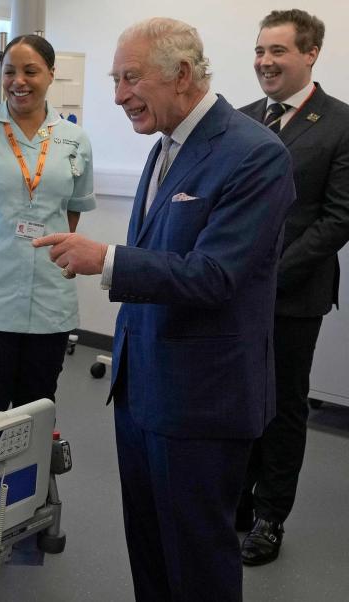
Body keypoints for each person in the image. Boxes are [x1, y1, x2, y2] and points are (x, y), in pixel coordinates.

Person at [33, 18, 295, 601]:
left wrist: (105, 259)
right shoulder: (165, 150)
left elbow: (216, 274)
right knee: (149, 550)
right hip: (142, 387)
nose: (119, 94)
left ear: (181, 76)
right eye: (115, 79)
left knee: (197, 561)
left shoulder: (255, 155)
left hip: (202, 400)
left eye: (131, 78)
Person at [235, 9, 349, 566]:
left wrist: (267, 276)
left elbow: (337, 219)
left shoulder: (341, 123)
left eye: (277, 51)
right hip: (231, 291)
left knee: (282, 406)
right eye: (260, 50)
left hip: (293, 295)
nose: (264, 62)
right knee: (239, 397)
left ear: (310, 55)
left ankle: (269, 516)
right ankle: (235, 498)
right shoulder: (242, 118)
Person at [0, 34, 96, 414]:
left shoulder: (73, 140)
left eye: (30, 71)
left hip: (48, 298)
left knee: (38, 404)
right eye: (9, 72)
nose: (18, 81)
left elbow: (71, 212)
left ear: (50, 75)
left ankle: (35, 476)